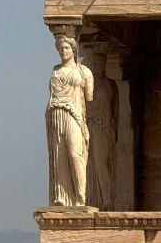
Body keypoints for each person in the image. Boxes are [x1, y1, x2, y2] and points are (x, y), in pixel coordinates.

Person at [46, 36, 93, 207]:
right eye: (60, 48)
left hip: (75, 115)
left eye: (66, 48)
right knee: (59, 157)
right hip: (56, 114)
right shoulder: (55, 71)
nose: (62, 51)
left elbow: (89, 97)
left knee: (75, 154)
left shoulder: (84, 71)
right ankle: (64, 199)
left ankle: (80, 197)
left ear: (74, 50)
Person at [84, 51, 118, 210]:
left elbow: (117, 110)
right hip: (88, 125)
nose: (98, 67)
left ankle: (108, 201)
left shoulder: (110, 84)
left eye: (101, 64)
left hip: (104, 128)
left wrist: (114, 129)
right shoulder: (86, 85)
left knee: (102, 162)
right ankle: (92, 200)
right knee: (88, 163)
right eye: (95, 64)